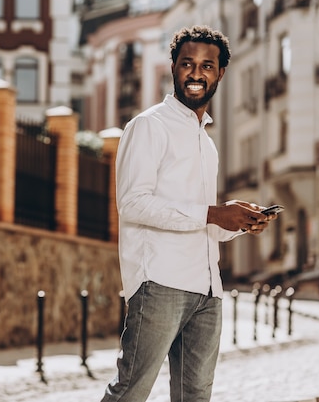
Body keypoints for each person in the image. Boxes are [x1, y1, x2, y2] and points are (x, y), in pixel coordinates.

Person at [100, 25, 278, 402]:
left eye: (207, 66)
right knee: (130, 392)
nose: (196, 74)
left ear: (220, 73)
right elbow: (132, 203)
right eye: (187, 64)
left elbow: (204, 223)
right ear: (173, 68)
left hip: (208, 290)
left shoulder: (206, 143)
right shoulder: (149, 126)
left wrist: (241, 222)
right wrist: (214, 214)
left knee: (195, 397)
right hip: (160, 283)